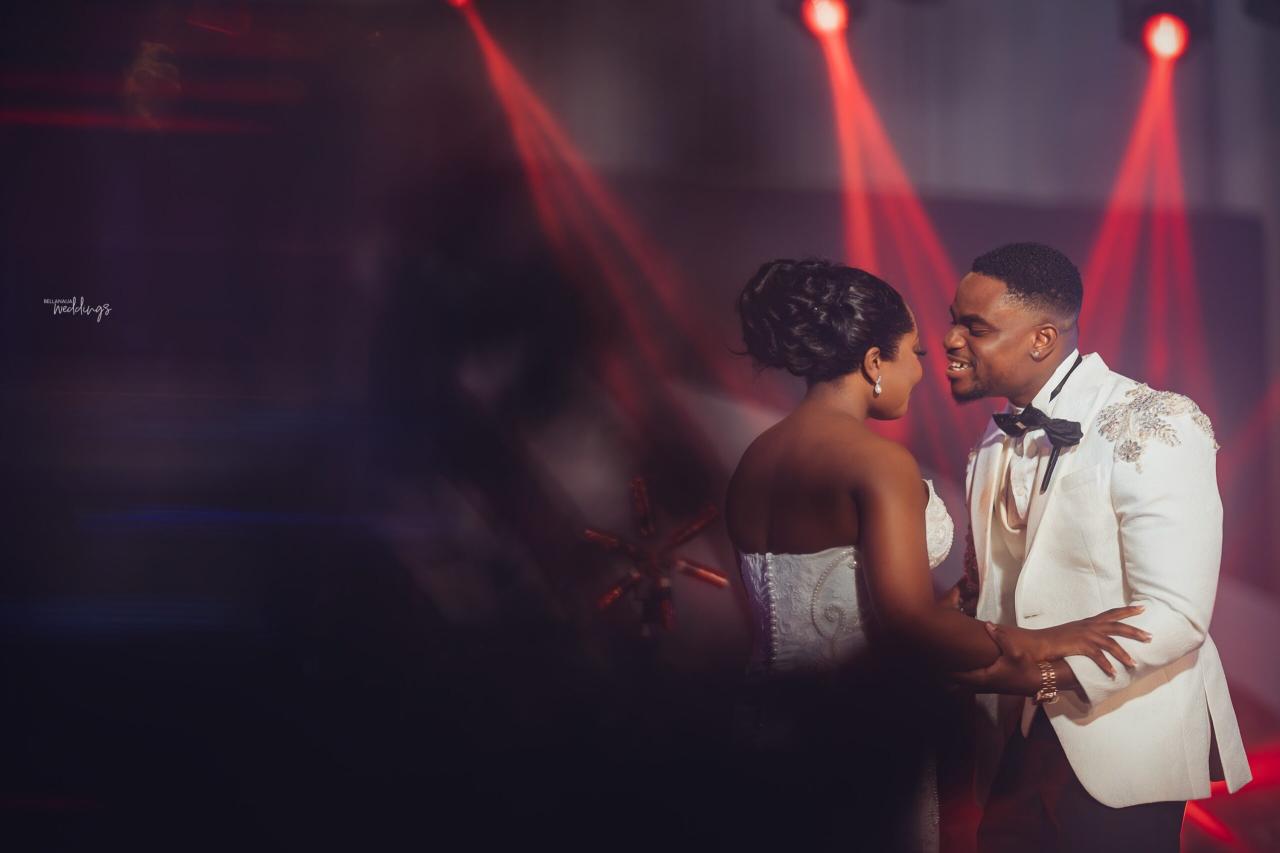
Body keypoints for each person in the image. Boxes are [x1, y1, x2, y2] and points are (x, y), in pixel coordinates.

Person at [725, 258, 1145, 852]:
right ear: (875, 362)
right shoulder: (876, 462)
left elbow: (803, 605)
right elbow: (907, 624)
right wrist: (1045, 641)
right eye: (915, 353)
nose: (926, 370)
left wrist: (952, 605)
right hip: (853, 730)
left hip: (759, 724)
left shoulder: (754, 459)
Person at [943, 242, 1252, 852]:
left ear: (1042, 339)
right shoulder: (991, 440)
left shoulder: (1158, 421)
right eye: (954, 321)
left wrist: (1042, 675)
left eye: (974, 327)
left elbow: (1177, 613)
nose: (951, 340)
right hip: (1012, 742)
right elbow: (985, 590)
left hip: (1124, 741)